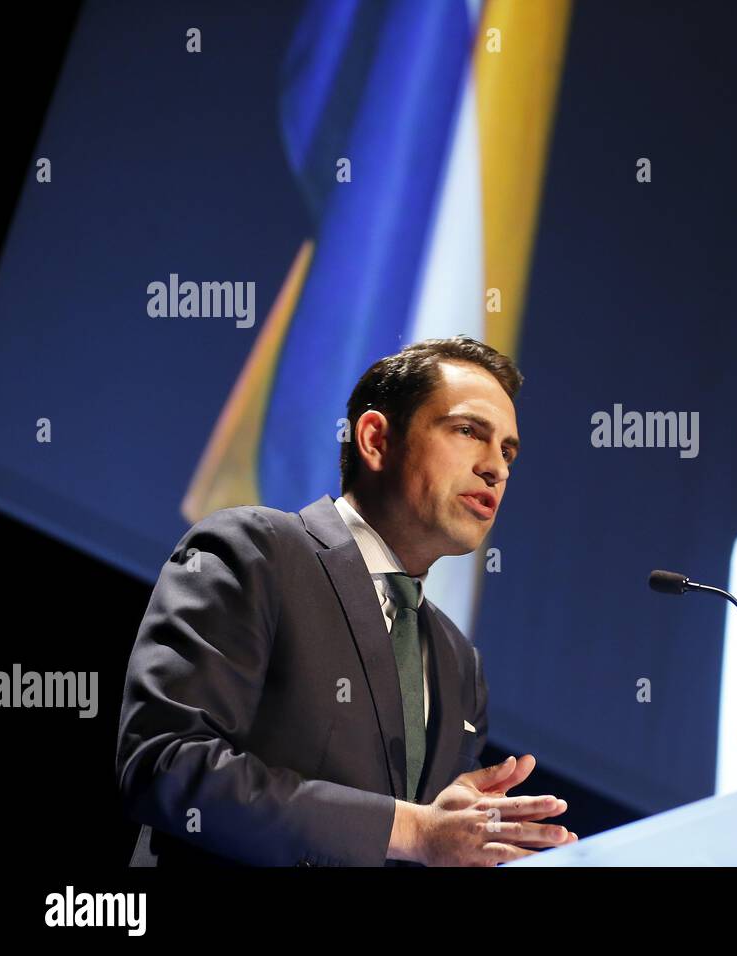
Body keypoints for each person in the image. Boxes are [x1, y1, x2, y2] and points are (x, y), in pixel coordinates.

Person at [117, 336, 577, 866]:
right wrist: (412, 828)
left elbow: (422, 843)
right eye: (469, 431)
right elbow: (167, 766)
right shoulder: (256, 551)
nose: (496, 467)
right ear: (376, 439)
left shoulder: (459, 664)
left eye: (508, 451)